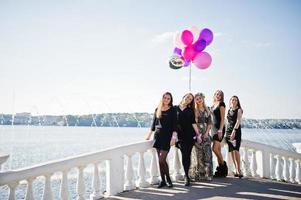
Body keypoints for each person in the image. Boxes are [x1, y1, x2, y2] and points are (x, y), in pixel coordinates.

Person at [146, 92, 177, 188]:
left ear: (170, 100)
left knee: (161, 160)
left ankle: (168, 179)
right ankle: (163, 180)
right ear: (162, 98)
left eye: (168, 98)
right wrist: (148, 135)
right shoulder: (157, 109)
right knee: (162, 161)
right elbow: (153, 124)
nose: (166, 100)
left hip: (167, 137)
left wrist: (174, 137)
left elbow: (175, 124)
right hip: (158, 136)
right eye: (165, 98)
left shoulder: (172, 110)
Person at [172, 93, 200, 186]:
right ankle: (186, 176)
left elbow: (193, 123)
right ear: (183, 97)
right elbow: (172, 122)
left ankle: (186, 176)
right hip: (179, 136)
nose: (188, 99)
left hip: (190, 135)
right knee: (184, 155)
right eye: (187, 97)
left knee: (187, 155)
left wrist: (198, 135)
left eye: (190, 99)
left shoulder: (190, 110)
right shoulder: (174, 108)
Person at [189, 93, 213, 181]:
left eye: (200, 98)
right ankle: (199, 174)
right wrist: (198, 135)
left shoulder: (208, 110)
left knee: (207, 155)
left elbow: (210, 123)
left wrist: (206, 133)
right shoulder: (194, 110)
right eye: (197, 99)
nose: (199, 100)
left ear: (203, 99)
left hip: (206, 134)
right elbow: (194, 123)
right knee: (198, 155)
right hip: (197, 134)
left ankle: (208, 174)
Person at [211, 90, 228, 177]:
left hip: (219, 129)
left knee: (214, 149)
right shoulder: (213, 105)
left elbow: (222, 118)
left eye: (220, 95)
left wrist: (220, 130)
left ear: (222, 96)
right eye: (217, 94)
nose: (218, 96)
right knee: (218, 150)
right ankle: (220, 171)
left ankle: (223, 166)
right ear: (214, 95)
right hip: (213, 129)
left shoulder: (222, 104)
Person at [225, 95, 243, 178]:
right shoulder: (229, 110)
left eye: (235, 100)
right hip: (228, 131)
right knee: (231, 151)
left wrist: (234, 131)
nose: (234, 101)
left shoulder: (239, 110)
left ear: (237, 101)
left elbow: (238, 121)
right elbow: (228, 122)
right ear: (230, 101)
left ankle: (239, 170)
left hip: (236, 131)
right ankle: (235, 169)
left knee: (236, 150)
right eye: (232, 100)